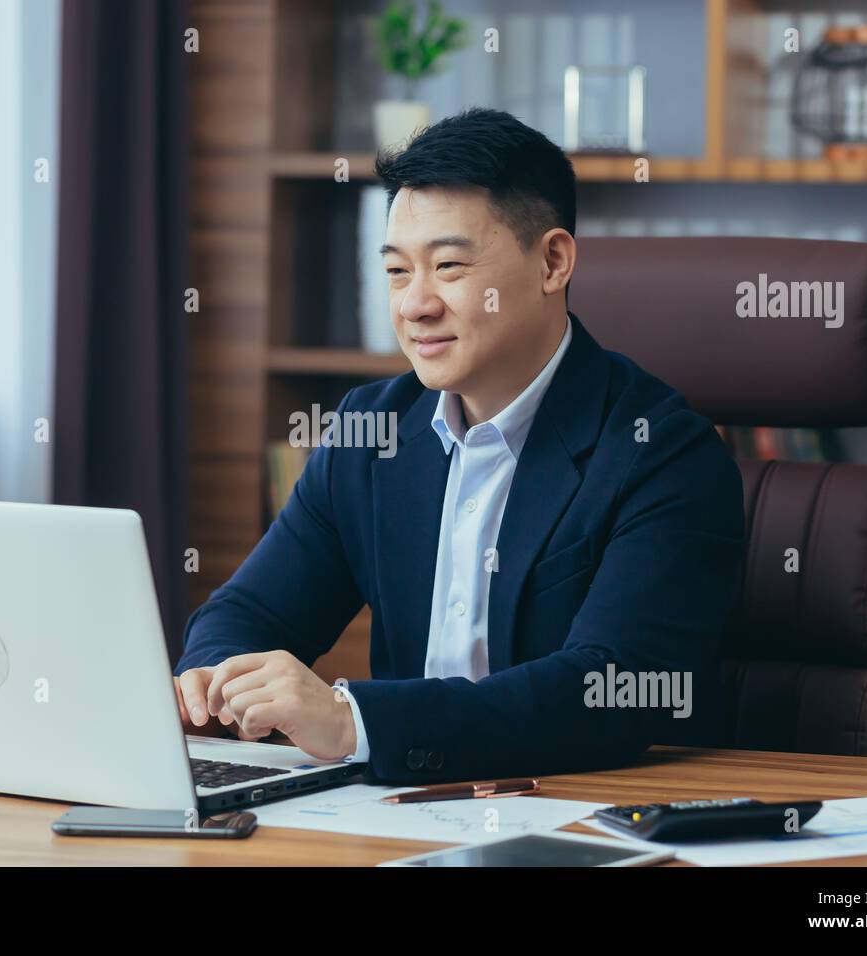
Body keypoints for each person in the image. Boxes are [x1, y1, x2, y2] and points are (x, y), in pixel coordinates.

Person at [173, 107, 745, 783]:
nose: (415, 305)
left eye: (448, 266)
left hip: (580, 814)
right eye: (395, 271)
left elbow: (608, 690)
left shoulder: (662, 452)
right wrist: (216, 677)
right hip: (400, 812)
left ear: (553, 261)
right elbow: (249, 611)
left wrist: (352, 721)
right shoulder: (371, 431)